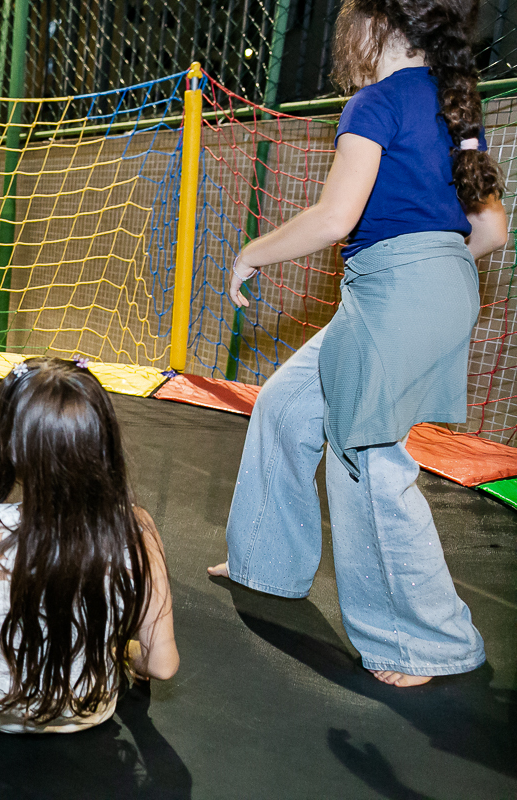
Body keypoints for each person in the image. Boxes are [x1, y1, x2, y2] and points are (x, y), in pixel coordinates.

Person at [207, 0, 509, 687]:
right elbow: (492, 231)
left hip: (394, 288)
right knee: (287, 403)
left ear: (375, 30)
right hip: (431, 283)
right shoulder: (455, 109)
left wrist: (252, 252)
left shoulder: (374, 104)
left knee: (365, 455)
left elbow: (336, 216)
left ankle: (422, 641)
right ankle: (264, 559)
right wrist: (428, 255)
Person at [0, 357, 179, 739]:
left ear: (9, 447)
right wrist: (130, 656)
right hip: (90, 706)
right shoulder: (137, 527)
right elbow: (164, 664)